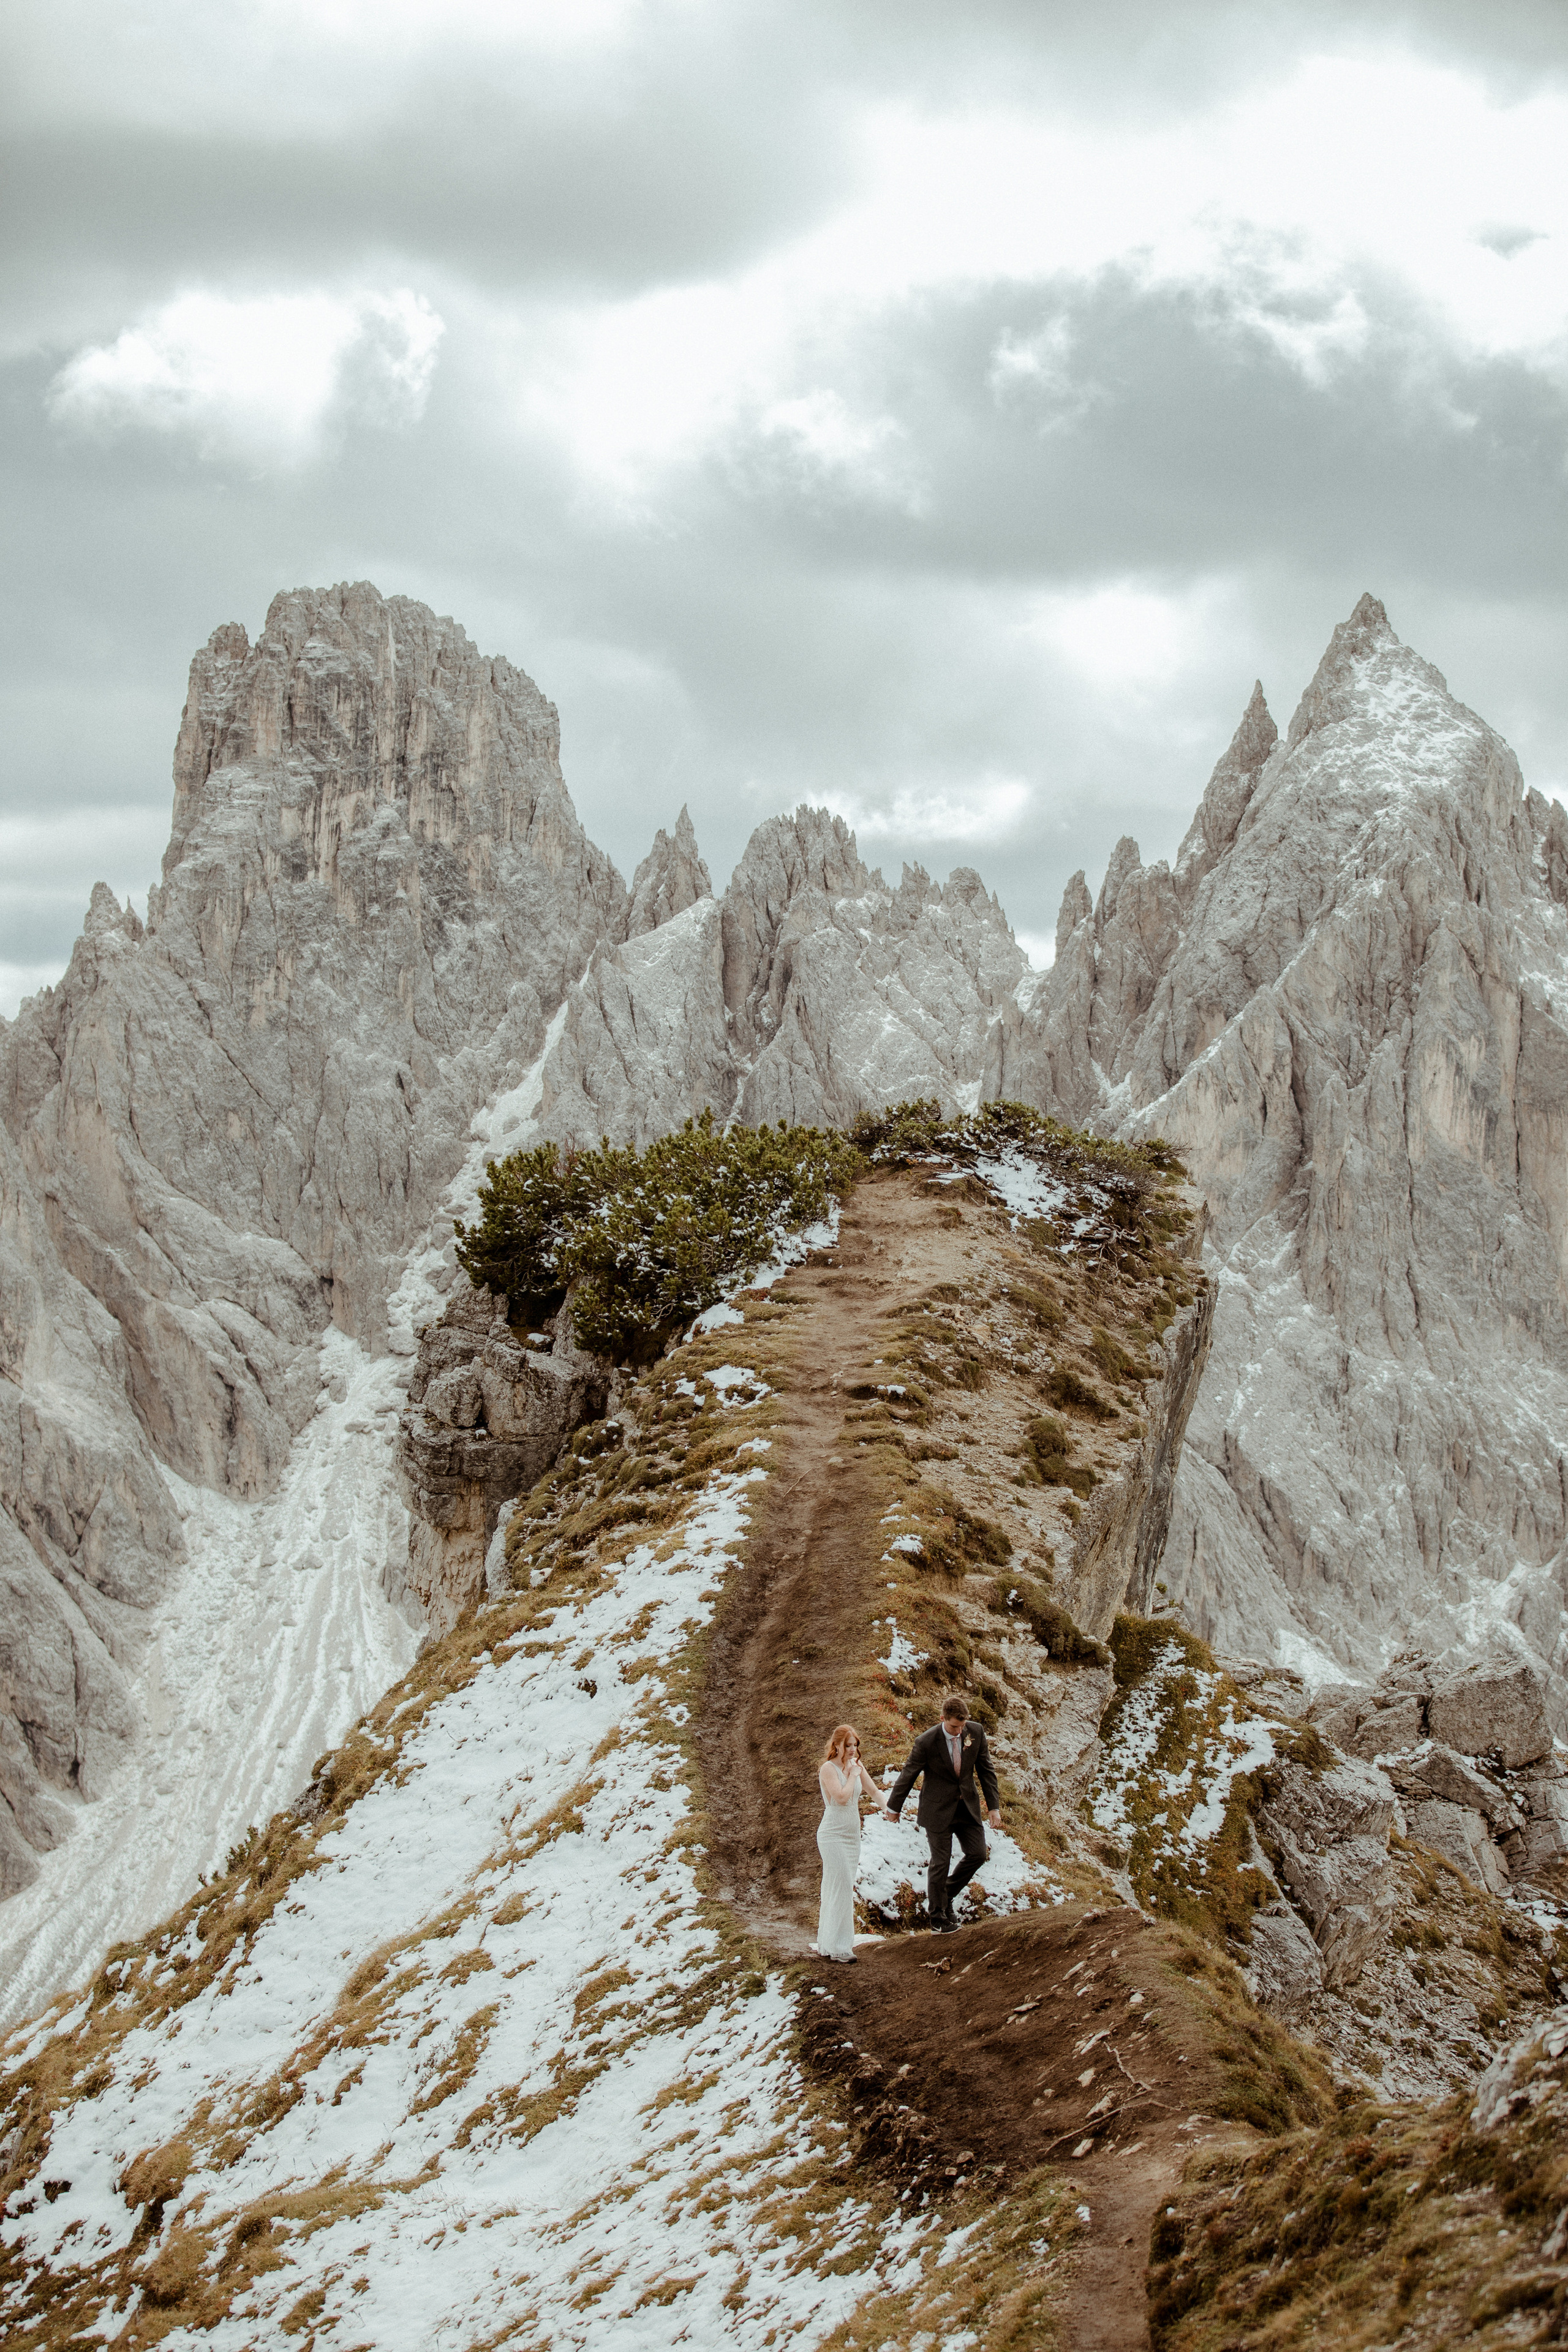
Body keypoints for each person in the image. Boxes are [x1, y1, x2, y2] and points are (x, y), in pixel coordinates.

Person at [885, 1695, 1001, 1934]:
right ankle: (937, 1918)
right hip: (937, 1810)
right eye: (954, 1727)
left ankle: (945, 1895)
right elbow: (909, 1774)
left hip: (967, 1807)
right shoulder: (926, 1741)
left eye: (963, 1726)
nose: (959, 1731)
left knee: (978, 1854)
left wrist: (993, 1807)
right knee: (941, 1862)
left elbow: (986, 1770)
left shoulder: (975, 1732)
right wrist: (894, 1807)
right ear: (942, 1719)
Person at [816, 1724, 883, 1962]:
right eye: (848, 1745)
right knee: (841, 1886)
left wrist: (892, 1810)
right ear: (837, 1746)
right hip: (832, 1834)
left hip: (853, 1836)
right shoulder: (828, 1769)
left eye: (855, 1745)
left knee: (840, 1887)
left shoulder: (857, 1766)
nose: (853, 1750)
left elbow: (874, 1792)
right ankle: (841, 1948)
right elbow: (842, 1798)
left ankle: (828, 1943)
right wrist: (853, 1775)